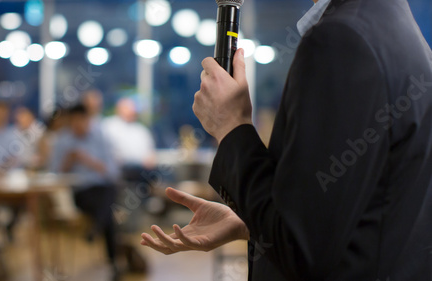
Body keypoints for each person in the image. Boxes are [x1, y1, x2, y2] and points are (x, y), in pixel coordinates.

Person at [140, 0, 432, 280]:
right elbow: (346, 218)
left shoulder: (342, 39)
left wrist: (231, 126)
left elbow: (301, 249)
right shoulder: (394, 26)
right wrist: (249, 222)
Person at [50, 104, 120, 280]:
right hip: (80, 191)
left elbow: (112, 172)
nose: (78, 124)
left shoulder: (100, 138)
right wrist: (69, 160)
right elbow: (54, 176)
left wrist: (89, 161)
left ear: (87, 120)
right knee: (109, 212)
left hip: (103, 187)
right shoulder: (62, 141)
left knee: (109, 193)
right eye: (74, 120)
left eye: (82, 120)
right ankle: (114, 264)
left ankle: (96, 228)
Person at [102, 98, 157, 181]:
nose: (131, 111)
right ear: (119, 109)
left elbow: (150, 152)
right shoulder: (108, 126)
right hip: (119, 168)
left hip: (142, 169)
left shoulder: (141, 130)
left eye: (132, 108)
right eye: (127, 108)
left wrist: (150, 160)